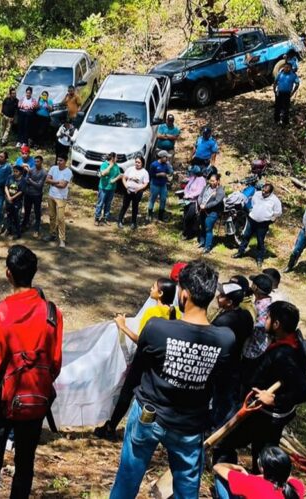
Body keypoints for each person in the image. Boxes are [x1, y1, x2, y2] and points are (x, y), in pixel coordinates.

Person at [108, 261, 235, 499]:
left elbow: (136, 373)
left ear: (184, 294)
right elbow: (221, 385)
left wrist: (115, 416)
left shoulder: (158, 329)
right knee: (187, 491)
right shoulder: (225, 339)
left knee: (127, 481)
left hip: (148, 415)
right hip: (190, 424)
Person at [0, 245, 63, 499]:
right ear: (33, 273)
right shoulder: (52, 313)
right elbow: (55, 361)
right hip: (35, 399)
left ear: (8, 274)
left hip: (0, 401)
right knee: (25, 464)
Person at [214, 301, 306, 473]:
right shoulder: (288, 342)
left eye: (268, 318)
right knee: (261, 455)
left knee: (227, 444)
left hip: (267, 417)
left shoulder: (286, 354)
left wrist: (275, 399)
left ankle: (230, 482)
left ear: (276, 324)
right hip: (262, 413)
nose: (265, 320)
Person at [94, 278, 181, 440]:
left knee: (127, 391)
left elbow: (141, 339)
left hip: (144, 359)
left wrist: (122, 326)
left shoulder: (152, 313)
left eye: (154, 287)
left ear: (160, 293)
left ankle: (110, 427)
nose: (151, 288)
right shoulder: (177, 313)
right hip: (163, 362)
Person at [210, 282, 254, 428]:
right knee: (225, 397)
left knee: (220, 397)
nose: (218, 297)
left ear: (229, 302)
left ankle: (217, 426)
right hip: (236, 363)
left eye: (222, 296)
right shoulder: (245, 315)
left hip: (222, 366)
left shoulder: (223, 321)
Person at [213, 446, 305, 499]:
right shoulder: (296, 486)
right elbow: (286, 476)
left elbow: (217, 467)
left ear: (262, 468)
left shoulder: (253, 483)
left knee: (219, 478)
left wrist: (238, 467)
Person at [233, 183, 283, 268]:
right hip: (252, 220)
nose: (263, 193)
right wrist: (251, 211)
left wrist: (271, 219)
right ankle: (240, 252)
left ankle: (259, 258)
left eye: (265, 192)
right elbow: (252, 203)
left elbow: (278, 212)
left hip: (263, 223)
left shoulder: (275, 200)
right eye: (263, 190)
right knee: (246, 236)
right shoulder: (257, 194)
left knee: (260, 241)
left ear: (270, 193)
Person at [44, 156, 73, 248]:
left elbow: (63, 185)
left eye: (61, 160)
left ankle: (62, 239)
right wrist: (57, 182)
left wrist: (52, 182)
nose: (59, 162)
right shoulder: (53, 168)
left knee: (60, 219)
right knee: (52, 217)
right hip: (51, 195)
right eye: (58, 160)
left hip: (61, 197)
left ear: (65, 161)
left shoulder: (68, 172)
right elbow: (47, 180)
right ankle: (52, 234)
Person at [117, 157, 150, 230]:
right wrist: (126, 186)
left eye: (139, 162)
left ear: (142, 163)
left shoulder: (145, 172)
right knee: (125, 205)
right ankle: (119, 220)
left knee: (135, 207)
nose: (137, 164)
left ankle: (133, 223)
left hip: (137, 192)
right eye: (136, 162)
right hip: (128, 190)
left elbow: (145, 183)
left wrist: (139, 188)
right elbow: (124, 178)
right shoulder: (130, 169)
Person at [198, 173, 226, 254]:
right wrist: (200, 204)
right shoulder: (206, 187)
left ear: (218, 181)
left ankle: (207, 247)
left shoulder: (220, 191)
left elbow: (216, 202)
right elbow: (200, 196)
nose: (211, 182)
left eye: (213, 181)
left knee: (208, 228)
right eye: (210, 180)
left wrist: (205, 206)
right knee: (203, 226)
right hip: (202, 210)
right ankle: (202, 242)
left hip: (212, 212)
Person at [94, 153, 122, 226]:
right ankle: (97, 218)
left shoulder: (116, 166)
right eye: (116, 157)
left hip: (112, 188)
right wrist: (110, 166)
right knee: (100, 203)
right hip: (103, 188)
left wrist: (116, 178)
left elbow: (119, 174)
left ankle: (106, 218)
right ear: (112, 158)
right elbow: (102, 174)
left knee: (108, 203)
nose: (117, 159)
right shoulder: (104, 164)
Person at [22, 155, 46, 237]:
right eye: (35, 161)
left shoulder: (43, 172)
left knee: (37, 211)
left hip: (37, 195)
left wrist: (31, 180)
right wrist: (32, 182)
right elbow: (25, 180)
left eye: (38, 161)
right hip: (28, 193)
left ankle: (36, 228)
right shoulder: (31, 170)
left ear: (41, 162)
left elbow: (39, 186)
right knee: (27, 211)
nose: (36, 163)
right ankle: (24, 225)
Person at [147, 150, 174, 222]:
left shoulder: (166, 164)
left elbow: (171, 173)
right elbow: (150, 174)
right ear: (162, 157)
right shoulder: (154, 164)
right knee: (152, 199)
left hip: (163, 185)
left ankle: (160, 216)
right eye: (166, 157)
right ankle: (149, 214)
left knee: (163, 200)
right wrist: (158, 174)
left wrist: (169, 166)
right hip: (155, 184)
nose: (167, 159)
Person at [182, 166, 206, 239]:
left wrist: (190, 195)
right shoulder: (192, 178)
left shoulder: (202, 180)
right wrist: (186, 194)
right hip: (187, 200)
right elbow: (187, 187)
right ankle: (185, 232)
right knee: (185, 216)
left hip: (194, 201)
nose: (191, 174)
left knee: (189, 217)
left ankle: (190, 233)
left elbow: (199, 191)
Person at [4, 165, 26, 239]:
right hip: (8, 200)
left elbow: (21, 191)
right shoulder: (10, 177)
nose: (15, 173)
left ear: (21, 172)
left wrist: (12, 197)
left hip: (17, 201)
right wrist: (8, 197)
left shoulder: (23, 180)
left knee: (16, 217)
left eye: (17, 171)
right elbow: (6, 186)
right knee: (8, 216)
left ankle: (17, 233)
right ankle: (8, 230)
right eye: (14, 171)